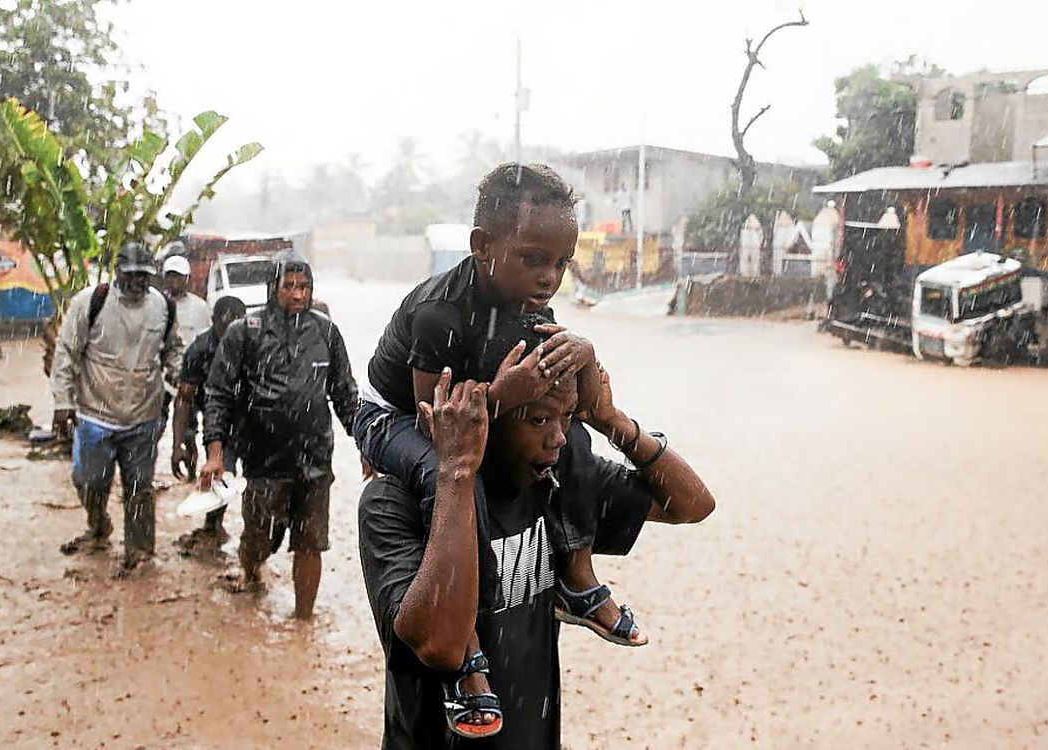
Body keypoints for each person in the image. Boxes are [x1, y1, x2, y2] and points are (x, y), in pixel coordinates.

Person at [358, 357, 716, 748]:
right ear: (483, 422)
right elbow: (440, 645)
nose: (559, 438)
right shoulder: (392, 505)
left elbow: (690, 504)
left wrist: (612, 421)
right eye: (539, 420)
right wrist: (457, 471)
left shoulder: (557, 491)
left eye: (565, 418)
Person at [200, 250, 360, 619]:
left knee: (311, 544)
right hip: (264, 459)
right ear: (273, 288)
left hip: (315, 460)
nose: (298, 294)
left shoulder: (326, 332)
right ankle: (252, 571)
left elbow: (345, 393)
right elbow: (219, 393)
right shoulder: (246, 332)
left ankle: (303, 621)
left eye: (304, 287)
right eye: (289, 286)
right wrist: (215, 452)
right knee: (260, 541)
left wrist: (365, 442)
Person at [50, 242, 183, 575]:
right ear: (118, 272)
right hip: (96, 414)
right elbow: (66, 354)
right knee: (89, 481)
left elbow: (173, 351)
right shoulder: (90, 303)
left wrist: (181, 377)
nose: (139, 282)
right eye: (132, 275)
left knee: (140, 488)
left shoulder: (163, 307)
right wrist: (63, 404)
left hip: (143, 416)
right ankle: (98, 524)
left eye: (145, 276)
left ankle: (139, 553)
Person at [169, 295, 247, 555]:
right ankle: (213, 526)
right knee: (222, 472)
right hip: (217, 422)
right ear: (213, 321)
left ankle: (251, 538)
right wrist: (180, 440)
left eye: (236, 326)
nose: (230, 333)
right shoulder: (199, 349)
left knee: (256, 485)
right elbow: (184, 399)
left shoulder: (253, 344)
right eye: (225, 326)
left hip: (251, 421)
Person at [157, 250, 211, 445]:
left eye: (178, 277)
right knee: (156, 425)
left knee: (189, 431)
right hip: (162, 376)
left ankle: (190, 468)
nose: (174, 282)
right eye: (170, 276)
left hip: (191, 378)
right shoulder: (158, 305)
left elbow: (207, 341)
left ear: (187, 279)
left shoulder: (200, 307)